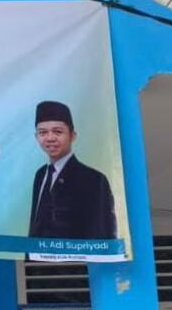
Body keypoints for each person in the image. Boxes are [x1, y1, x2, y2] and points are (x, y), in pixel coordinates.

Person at [28, 100, 116, 240]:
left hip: (76, 254)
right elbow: (35, 227)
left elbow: (103, 234)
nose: (50, 138)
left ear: (72, 135)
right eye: (43, 132)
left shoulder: (93, 179)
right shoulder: (40, 175)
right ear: (36, 137)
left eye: (57, 131)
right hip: (38, 253)